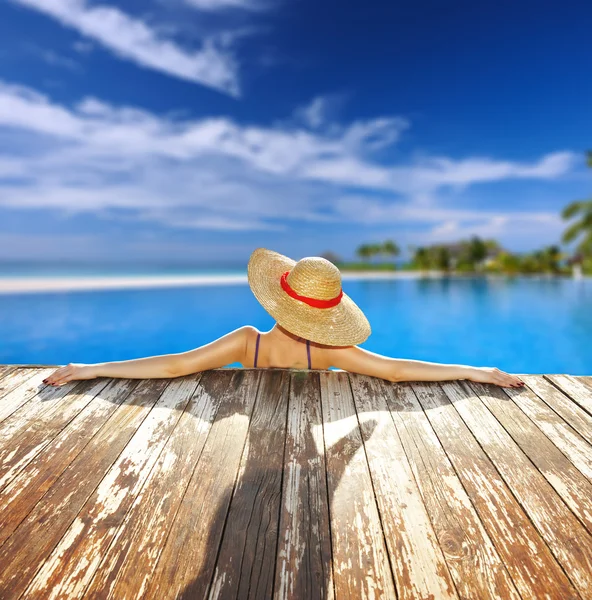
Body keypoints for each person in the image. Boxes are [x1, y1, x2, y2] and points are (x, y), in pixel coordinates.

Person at [42, 247, 525, 389]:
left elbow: (173, 366)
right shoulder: (331, 351)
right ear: (328, 314)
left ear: (278, 299)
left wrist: (92, 368)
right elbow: (398, 370)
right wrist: (474, 371)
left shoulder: (246, 344)